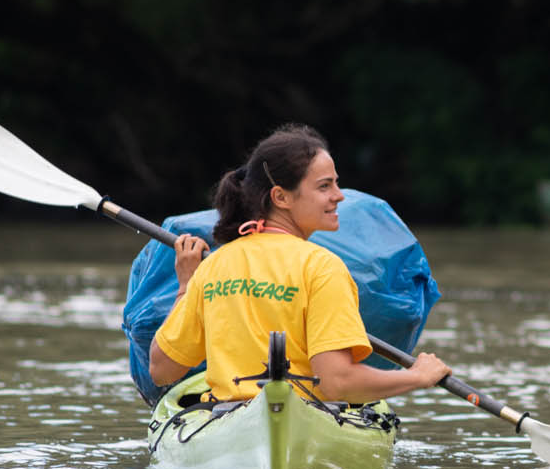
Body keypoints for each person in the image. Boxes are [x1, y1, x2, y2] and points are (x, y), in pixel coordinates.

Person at [149, 123, 451, 404]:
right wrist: (417, 377)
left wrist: (186, 286)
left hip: (226, 417)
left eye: (336, 184)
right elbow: (336, 383)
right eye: (325, 187)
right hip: (304, 417)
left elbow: (162, 370)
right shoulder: (322, 267)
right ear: (281, 197)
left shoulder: (215, 264)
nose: (339, 196)